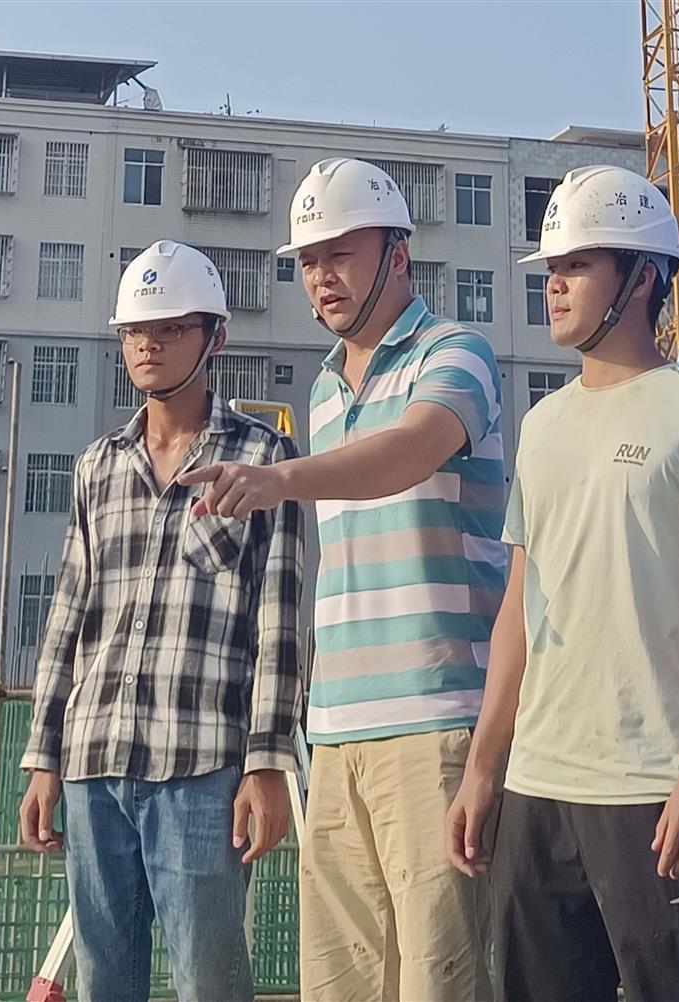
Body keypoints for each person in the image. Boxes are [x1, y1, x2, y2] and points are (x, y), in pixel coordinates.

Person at [180, 158, 506, 1001]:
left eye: (340, 254)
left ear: (398, 254)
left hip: (438, 721)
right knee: (341, 985)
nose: (321, 276)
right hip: (334, 731)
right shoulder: (325, 388)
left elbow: (410, 449)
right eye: (308, 260)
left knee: (439, 980)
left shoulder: (457, 354)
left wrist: (280, 478)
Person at [446, 165, 679, 1002]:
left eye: (578, 264)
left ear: (643, 278)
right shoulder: (541, 425)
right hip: (539, 790)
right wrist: (485, 768)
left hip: (660, 789)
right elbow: (520, 608)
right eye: (552, 267)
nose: (553, 283)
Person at [19, 241, 304, 1002]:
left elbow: (279, 624)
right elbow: (68, 618)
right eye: (135, 331)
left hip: (202, 767)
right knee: (103, 981)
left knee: (210, 981)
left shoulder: (264, 458)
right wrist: (44, 758)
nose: (148, 344)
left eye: (172, 328)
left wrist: (266, 763)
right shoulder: (98, 466)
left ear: (214, 337)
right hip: (94, 762)